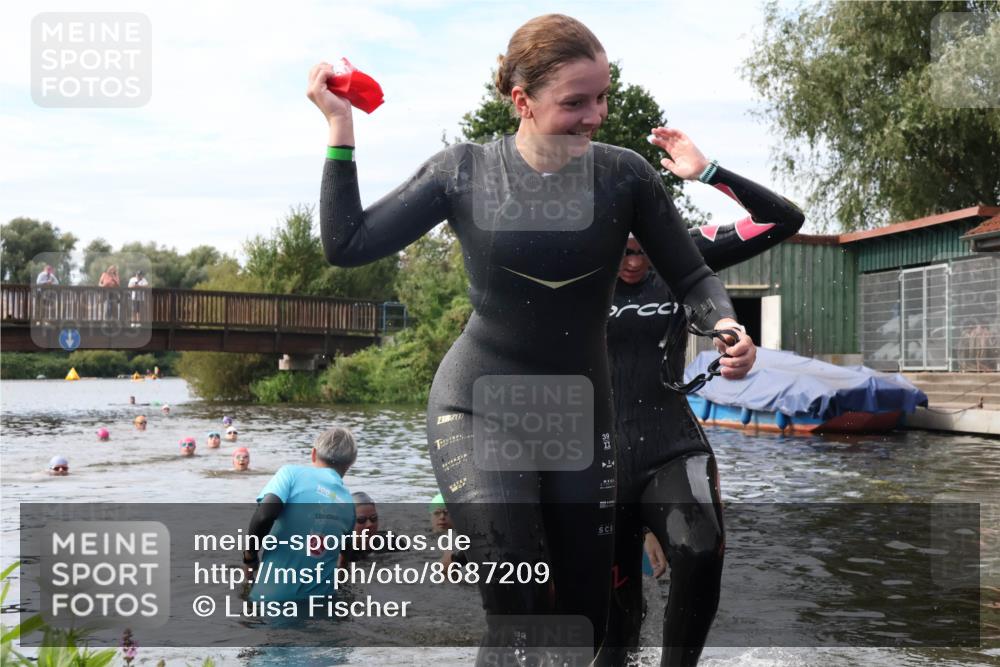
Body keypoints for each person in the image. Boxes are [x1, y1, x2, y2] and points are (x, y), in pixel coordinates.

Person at [309, 13, 754, 660]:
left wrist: (724, 323)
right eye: (575, 102)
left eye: (601, 96)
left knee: (585, 621)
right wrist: (339, 128)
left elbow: (690, 274)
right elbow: (347, 243)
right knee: (516, 588)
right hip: (479, 404)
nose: (595, 115)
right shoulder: (464, 172)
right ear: (522, 101)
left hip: (581, 413)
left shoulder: (625, 177)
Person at [600, 128, 804, 666]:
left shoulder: (683, 247)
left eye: (646, 248)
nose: (636, 262)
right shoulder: (573, 262)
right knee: (614, 638)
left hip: (670, 445)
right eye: (624, 250)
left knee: (700, 550)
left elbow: (784, 219)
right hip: (592, 461)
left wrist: (708, 172)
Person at [242, 427, 357, 602]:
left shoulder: (291, 474)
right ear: (350, 464)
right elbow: (344, 559)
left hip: (272, 599)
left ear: (313, 454)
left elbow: (265, 515)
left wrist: (249, 557)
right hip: (321, 602)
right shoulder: (349, 502)